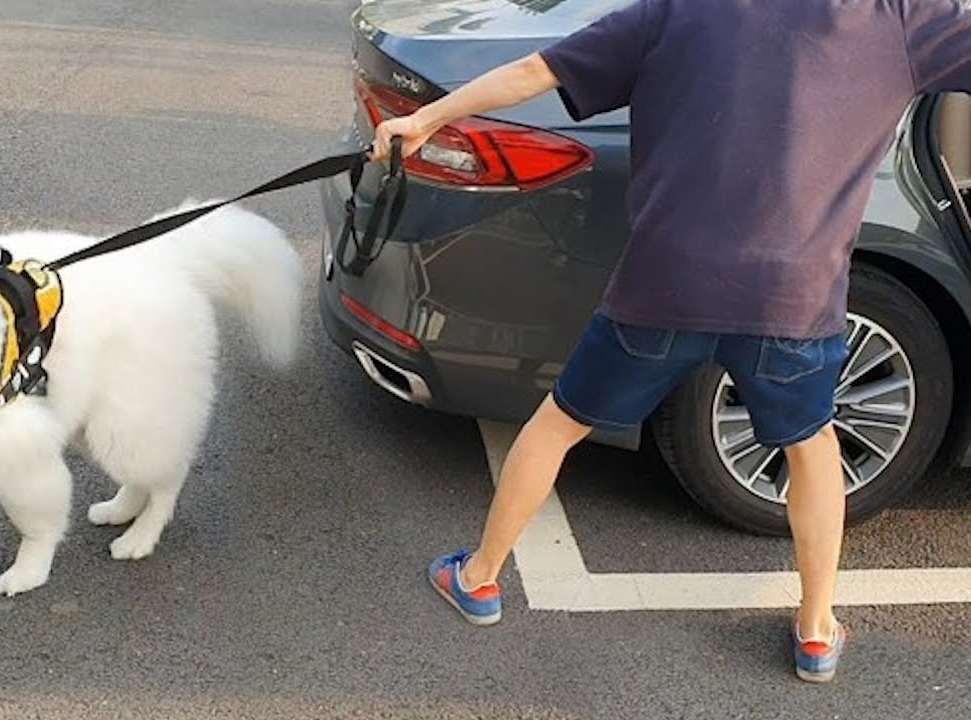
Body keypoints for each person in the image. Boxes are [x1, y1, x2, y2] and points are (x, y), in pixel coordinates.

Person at [369, 0, 971, 683]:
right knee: (813, 447)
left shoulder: (673, 8)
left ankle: (478, 578)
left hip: (663, 288)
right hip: (791, 300)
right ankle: (816, 627)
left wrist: (424, 119)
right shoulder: (896, 18)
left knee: (560, 422)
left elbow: (536, 71)